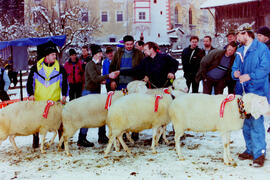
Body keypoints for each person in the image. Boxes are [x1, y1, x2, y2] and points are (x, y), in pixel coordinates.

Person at [231, 23, 270, 167]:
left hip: (257, 92)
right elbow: (235, 67)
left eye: (238, 35)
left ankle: (259, 153)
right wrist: (234, 73)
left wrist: (250, 76)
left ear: (246, 34)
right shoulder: (240, 50)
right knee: (245, 122)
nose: (237, 38)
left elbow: (265, 69)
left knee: (256, 122)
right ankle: (250, 149)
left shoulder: (262, 49)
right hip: (242, 93)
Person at [27, 46, 68, 149]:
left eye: (55, 54)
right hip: (39, 102)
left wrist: (64, 95)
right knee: (36, 123)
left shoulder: (60, 68)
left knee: (60, 122)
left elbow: (65, 83)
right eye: (53, 54)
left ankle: (62, 141)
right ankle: (36, 140)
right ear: (47, 56)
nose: (55, 56)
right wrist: (31, 94)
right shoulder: (36, 68)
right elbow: (29, 83)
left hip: (55, 101)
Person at [78, 44, 118, 146]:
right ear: (95, 54)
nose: (101, 55)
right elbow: (95, 78)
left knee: (101, 113)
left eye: (101, 53)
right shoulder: (90, 65)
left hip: (96, 92)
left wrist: (103, 80)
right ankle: (81, 138)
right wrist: (108, 76)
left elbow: (98, 78)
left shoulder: (99, 64)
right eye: (100, 53)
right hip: (88, 93)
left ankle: (102, 136)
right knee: (87, 116)